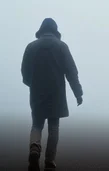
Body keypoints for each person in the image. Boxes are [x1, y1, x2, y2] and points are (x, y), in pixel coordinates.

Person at [21, 18, 83, 171]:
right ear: (55, 31)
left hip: (37, 92)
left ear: (41, 30)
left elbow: (25, 71)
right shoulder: (61, 46)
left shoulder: (31, 46)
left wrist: (31, 83)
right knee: (53, 126)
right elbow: (71, 71)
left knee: (37, 124)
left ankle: (34, 148)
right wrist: (78, 92)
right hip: (56, 93)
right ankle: (50, 160)